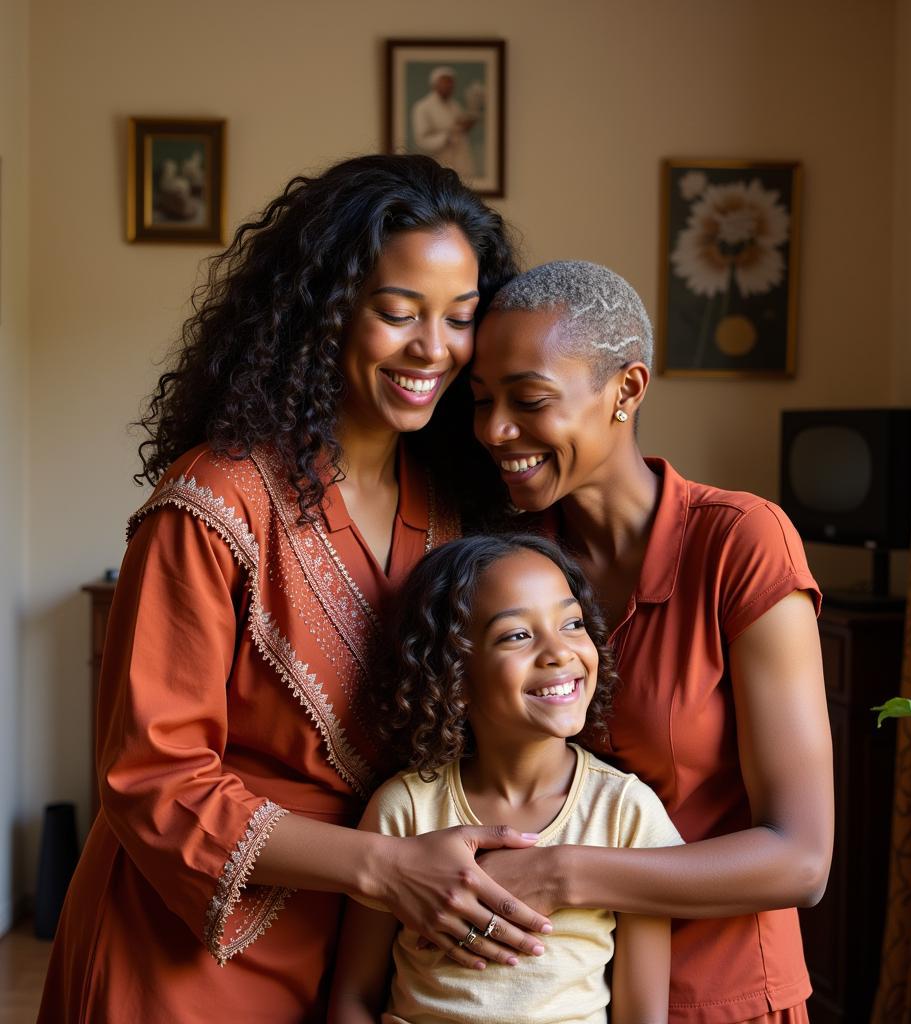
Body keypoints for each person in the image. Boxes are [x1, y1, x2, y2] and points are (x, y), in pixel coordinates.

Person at [38, 155, 555, 1023]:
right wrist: (386, 866)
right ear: (326, 312)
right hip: (189, 943)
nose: (433, 349)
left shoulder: (461, 508)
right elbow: (150, 778)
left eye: (460, 319)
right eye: (398, 313)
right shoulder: (213, 501)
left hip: (367, 947)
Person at [468, 261, 834, 1024]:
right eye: (481, 402)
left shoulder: (741, 543)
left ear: (627, 391)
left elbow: (801, 859)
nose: (494, 430)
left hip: (718, 996)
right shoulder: (509, 560)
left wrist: (566, 875)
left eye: (528, 401)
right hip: (548, 997)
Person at [329, 534, 683, 1024]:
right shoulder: (404, 808)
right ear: (454, 673)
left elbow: (644, 1014)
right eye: (517, 635)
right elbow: (353, 997)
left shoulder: (625, 811)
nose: (559, 652)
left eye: (572, 623)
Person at [411, 66, 478, 179]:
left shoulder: (455, 106)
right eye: (445, 83)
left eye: (451, 83)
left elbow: (459, 129)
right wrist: (447, 137)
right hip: (437, 163)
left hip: (459, 162)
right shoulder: (423, 107)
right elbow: (421, 140)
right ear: (435, 84)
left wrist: (465, 126)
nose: (449, 86)